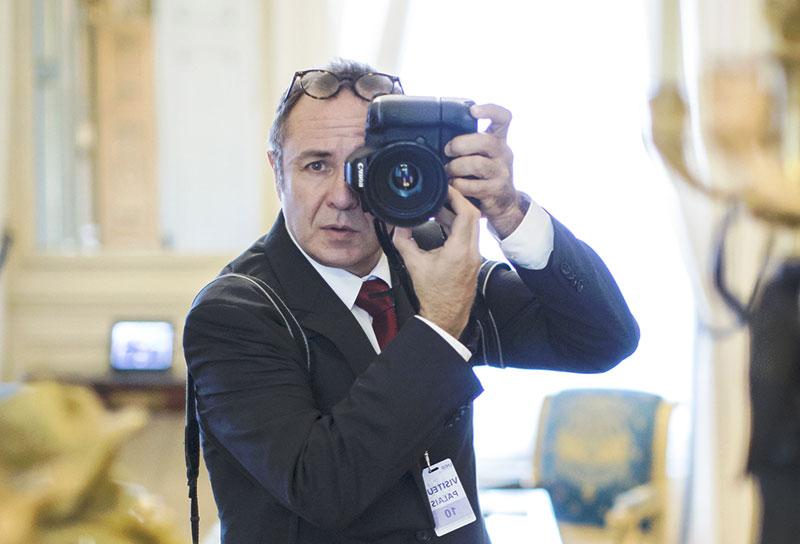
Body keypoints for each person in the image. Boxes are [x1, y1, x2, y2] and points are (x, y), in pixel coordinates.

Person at [183, 58, 640, 543]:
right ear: (278, 169)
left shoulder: (427, 259)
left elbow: (601, 341)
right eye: (316, 165)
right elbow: (322, 488)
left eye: (362, 166)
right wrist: (440, 324)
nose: (342, 196)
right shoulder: (236, 311)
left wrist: (508, 211)